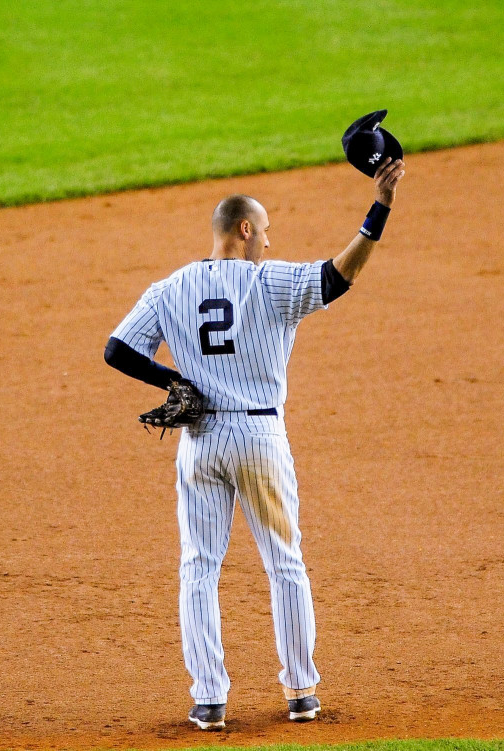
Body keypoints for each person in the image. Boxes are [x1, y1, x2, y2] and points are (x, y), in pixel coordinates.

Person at [104, 157, 406, 730]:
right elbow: (340, 276)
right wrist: (379, 208)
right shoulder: (272, 282)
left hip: (200, 441)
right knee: (284, 564)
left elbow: (117, 349)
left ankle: (208, 700)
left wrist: (175, 381)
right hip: (261, 439)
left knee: (198, 567)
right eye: (265, 230)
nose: (270, 239)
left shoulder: (170, 287)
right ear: (245, 229)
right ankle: (300, 692)